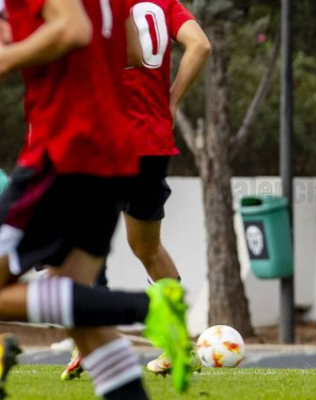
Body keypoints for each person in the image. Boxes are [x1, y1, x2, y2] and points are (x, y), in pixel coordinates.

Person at [0, 0, 193, 398]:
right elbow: (134, 53)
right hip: (113, 149)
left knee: (77, 304)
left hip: (65, 150)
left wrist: (8, 57)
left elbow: (72, 30)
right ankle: (145, 314)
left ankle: (144, 308)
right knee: (82, 318)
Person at [59, 0, 211, 380]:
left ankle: (94, 341)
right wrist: (171, 100)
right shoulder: (164, 3)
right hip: (152, 143)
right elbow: (201, 45)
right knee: (147, 247)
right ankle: (176, 346)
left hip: (107, 137)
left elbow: (117, 52)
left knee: (77, 241)